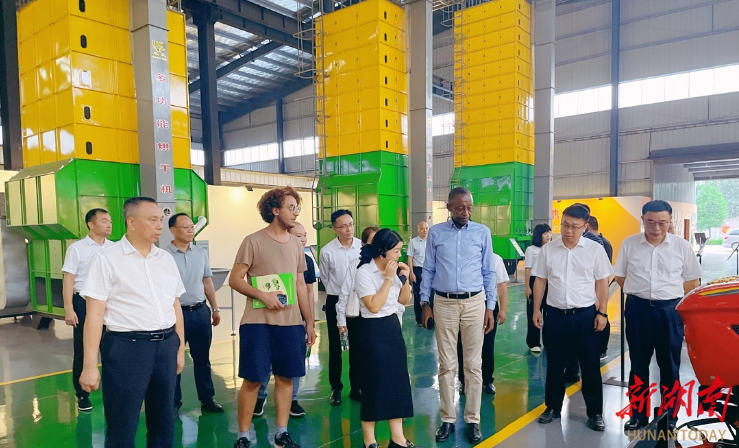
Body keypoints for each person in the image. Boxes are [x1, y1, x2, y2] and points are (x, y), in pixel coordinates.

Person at [78, 197, 187, 448]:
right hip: (127, 348)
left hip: (166, 346)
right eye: (152, 220)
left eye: (160, 220)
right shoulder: (106, 259)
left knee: (164, 421)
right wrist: (89, 365)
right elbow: (94, 315)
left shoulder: (165, 259)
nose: (159, 225)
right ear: (131, 222)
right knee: (122, 424)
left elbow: (175, 306)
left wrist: (180, 348)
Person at [229, 186, 317, 448]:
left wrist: (308, 321)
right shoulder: (252, 241)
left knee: (285, 377)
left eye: (297, 208)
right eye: (291, 208)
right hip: (257, 323)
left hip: (290, 324)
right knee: (253, 379)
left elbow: (300, 285)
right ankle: (243, 436)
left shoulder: (296, 245)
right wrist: (262, 295)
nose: (296, 213)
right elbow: (235, 279)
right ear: (275, 210)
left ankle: (281, 432)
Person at [614, 200, 702, 432]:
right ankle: (638, 415)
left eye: (662, 223)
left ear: (670, 221)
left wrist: (677, 306)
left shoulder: (681, 246)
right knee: (638, 364)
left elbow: (692, 281)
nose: (656, 228)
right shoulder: (630, 244)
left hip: (670, 311)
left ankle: (669, 416)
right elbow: (620, 276)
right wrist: (639, 293)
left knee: (669, 366)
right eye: (650, 222)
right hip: (638, 310)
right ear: (642, 220)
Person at [420, 187, 497, 444]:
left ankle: (473, 421)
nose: (466, 212)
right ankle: (447, 419)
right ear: (449, 208)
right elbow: (428, 269)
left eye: (469, 207)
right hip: (444, 303)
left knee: (473, 365)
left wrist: (490, 307)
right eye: (460, 208)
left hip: (475, 303)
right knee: (447, 365)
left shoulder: (482, 233)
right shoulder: (436, 233)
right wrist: (425, 303)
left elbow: (489, 272)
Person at [532, 204, 613, 432]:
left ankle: (595, 412)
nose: (568, 231)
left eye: (574, 227)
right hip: (555, 315)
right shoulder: (548, 250)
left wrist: (602, 312)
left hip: (585, 316)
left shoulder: (595, 250)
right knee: (554, 364)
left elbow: (602, 282)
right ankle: (552, 407)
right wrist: (536, 309)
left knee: (590, 365)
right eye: (564, 225)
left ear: (585, 226)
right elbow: (540, 280)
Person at [353, 229, 417, 448]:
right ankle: (369, 440)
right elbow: (373, 305)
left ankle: (397, 437)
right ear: (382, 251)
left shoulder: (395, 270)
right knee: (373, 383)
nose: (399, 255)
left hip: (392, 329)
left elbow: (403, 300)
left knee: (396, 383)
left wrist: (404, 279)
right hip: (372, 331)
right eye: (396, 251)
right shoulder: (364, 272)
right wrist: (389, 279)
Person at [255, 222, 315, 419]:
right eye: (298, 236)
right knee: (266, 359)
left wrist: (309, 320)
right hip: (270, 316)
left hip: (295, 319)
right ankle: (260, 396)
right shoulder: (271, 255)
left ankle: (293, 399)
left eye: (304, 235)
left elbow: (308, 291)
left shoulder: (306, 260)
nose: (302, 239)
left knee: (294, 361)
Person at [166, 213, 223, 418]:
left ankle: (207, 399)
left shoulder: (200, 253)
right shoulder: (163, 256)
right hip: (175, 315)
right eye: (186, 227)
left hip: (200, 312)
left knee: (203, 359)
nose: (191, 230)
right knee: (174, 361)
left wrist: (214, 308)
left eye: (192, 226)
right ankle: (173, 404)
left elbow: (207, 281)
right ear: (173, 230)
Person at [62, 208, 114, 412]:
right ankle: (82, 394)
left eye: (110, 221)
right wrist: (69, 308)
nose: (109, 224)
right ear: (91, 225)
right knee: (83, 349)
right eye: (104, 221)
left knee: (111, 348)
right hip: (84, 303)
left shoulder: (114, 248)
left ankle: (113, 390)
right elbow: (69, 280)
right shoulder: (77, 249)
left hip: (109, 304)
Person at [319, 210, 362, 405]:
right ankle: (336, 388)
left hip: (357, 301)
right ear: (335, 229)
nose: (349, 229)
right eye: (343, 226)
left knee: (357, 347)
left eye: (351, 224)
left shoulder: (361, 247)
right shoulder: (327, 251)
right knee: (335, 347)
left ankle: (356, 387)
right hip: (335, 301)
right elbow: (325, 278)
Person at [457, 251, 509, 395]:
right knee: (464, 343)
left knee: (487, 343)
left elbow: (501, 285)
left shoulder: (495, 259)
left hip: (488, 304)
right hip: (467, 303)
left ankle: (487, 380)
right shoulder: (464, 256)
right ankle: (464, 380)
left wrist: (503, 309)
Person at [587, 216, 614, 360]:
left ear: (586, 225)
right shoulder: (605, 242)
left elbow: (603, 272)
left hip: (596, 287)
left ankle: (601, 349)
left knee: (601, 315)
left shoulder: (598, 244)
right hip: (592, 286)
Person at [523, 223, 552, 354]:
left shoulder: (551, 249)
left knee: (549, 313)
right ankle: (533, 342)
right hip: (535, 280)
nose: (548, 235)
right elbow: (528, 269)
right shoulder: (531, 250)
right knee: (534, 312)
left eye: (549, 232)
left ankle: (548, 341)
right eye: (545, 233)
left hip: (549, 281)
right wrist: (527, 287)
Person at [407, 221, 429, 327]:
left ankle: (430, 318)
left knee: (431, 294)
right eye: (422, 228)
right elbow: (410, 258)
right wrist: (411, 273)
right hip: (418, 270)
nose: (425, 231)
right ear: (418, 230)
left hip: (429, 271)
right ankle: (419, 319)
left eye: (426, 228)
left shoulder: (431, 241)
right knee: (418, 295)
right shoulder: (413, 242)